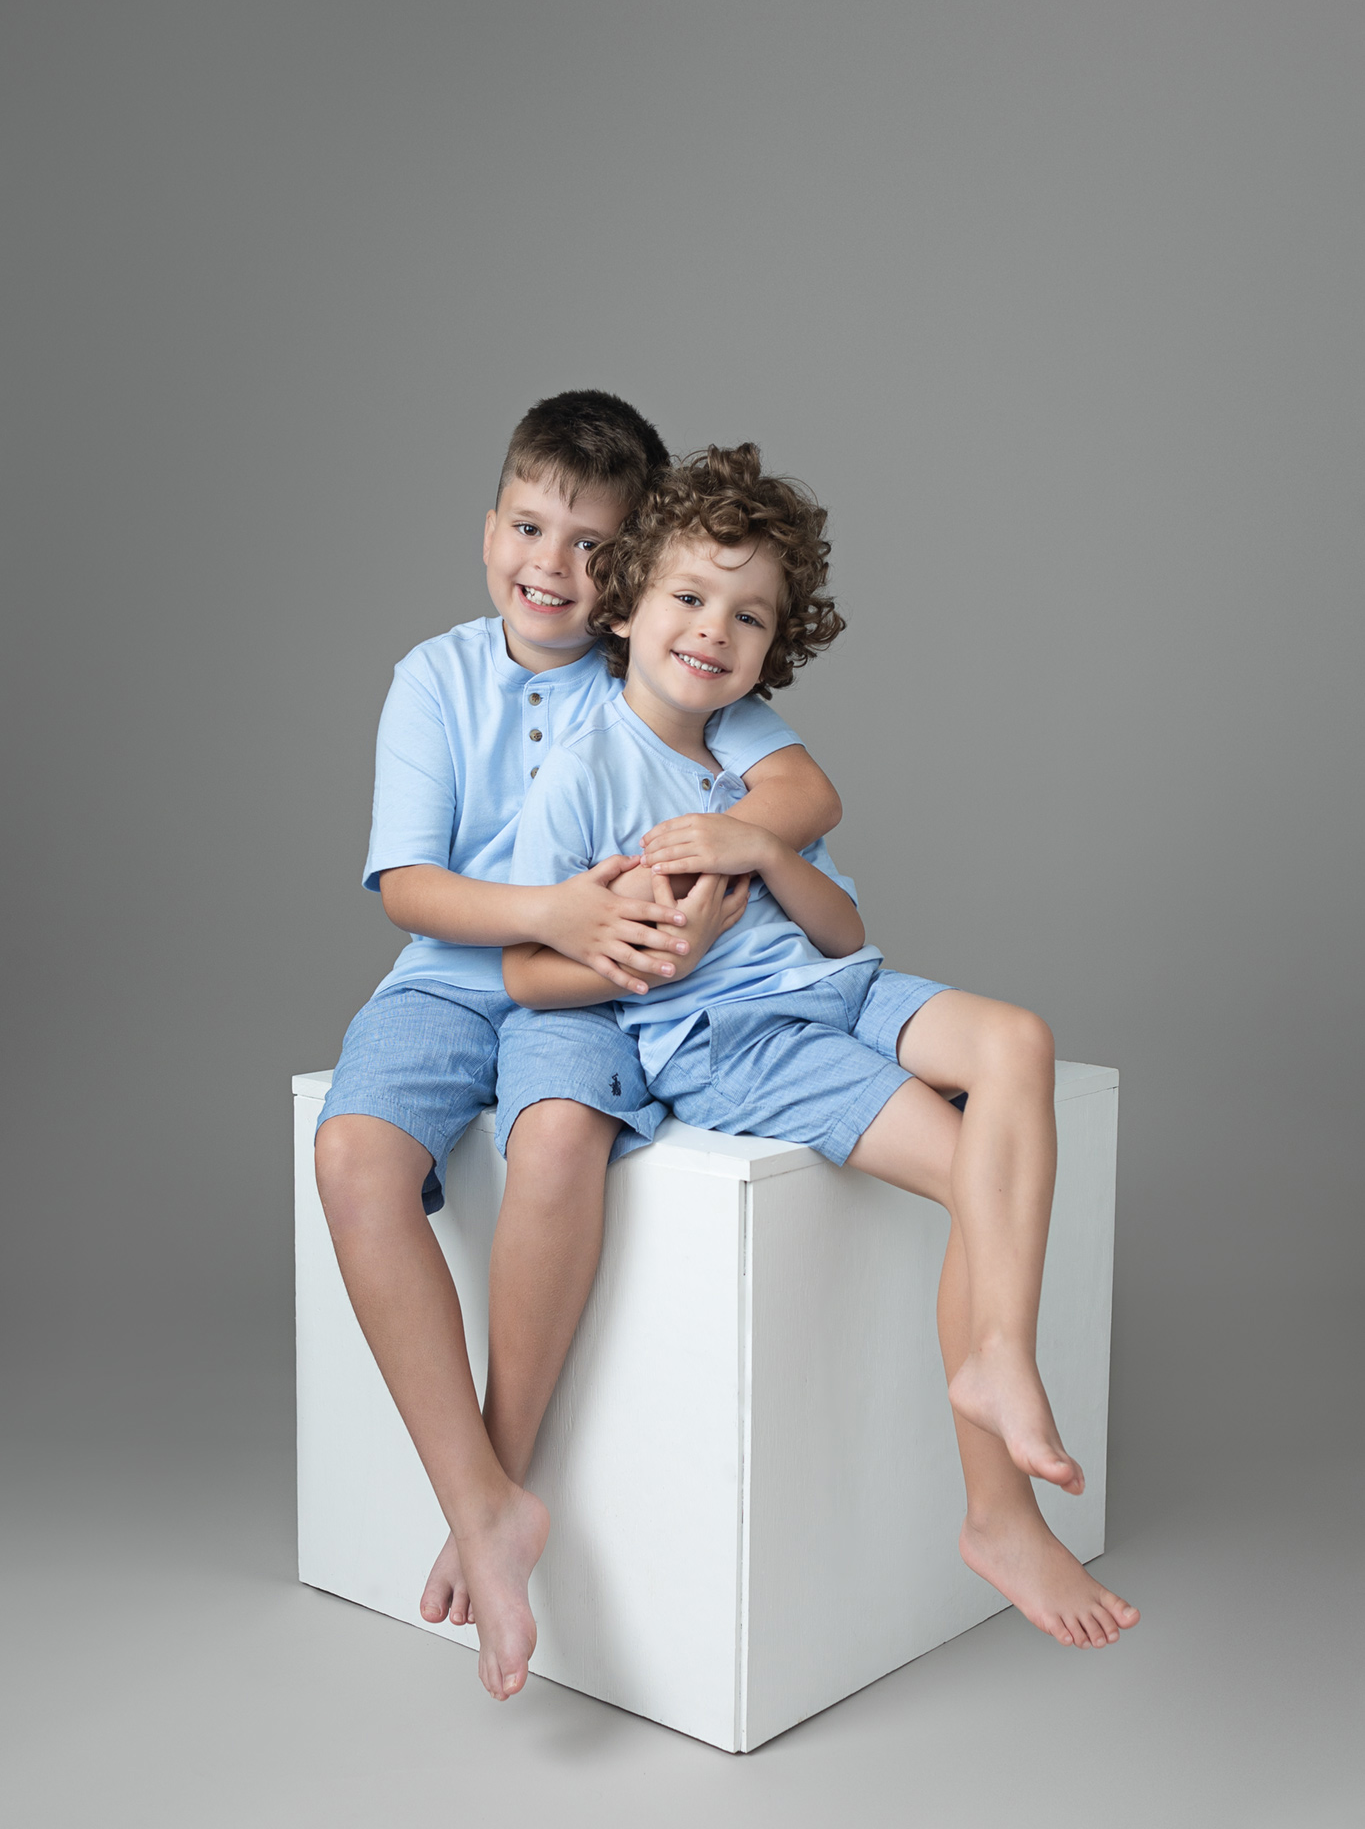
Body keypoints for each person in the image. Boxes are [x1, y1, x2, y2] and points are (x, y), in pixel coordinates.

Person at [504, 443, 1141, 1653]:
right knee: (975, 1178)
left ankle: (999, 1350)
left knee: (1020, 1038)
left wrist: (760, 852)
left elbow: (847, 927)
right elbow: (530, 966)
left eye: (749, 616)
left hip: (836, 986)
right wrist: (646, 958)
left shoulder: (744, 744)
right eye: (689, 597)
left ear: (771, 646)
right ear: (627, 601)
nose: (714, 630)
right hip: (733, 1037)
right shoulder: (581, 777)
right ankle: (997, 1509)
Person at [313, 395, 842, 1701]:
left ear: (635, 569)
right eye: (530, 526)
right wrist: (552, 907)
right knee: (349, 1159)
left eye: (596, 545)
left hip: (590, 999)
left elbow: (801, 793)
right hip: (447, 981)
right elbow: (409, 887)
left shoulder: (661, 670)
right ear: (489, 526)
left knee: (556, 1138)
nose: (553, 566)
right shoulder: (435, 679)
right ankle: (485, 1504)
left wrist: (706, 886)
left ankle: (487, 1503)